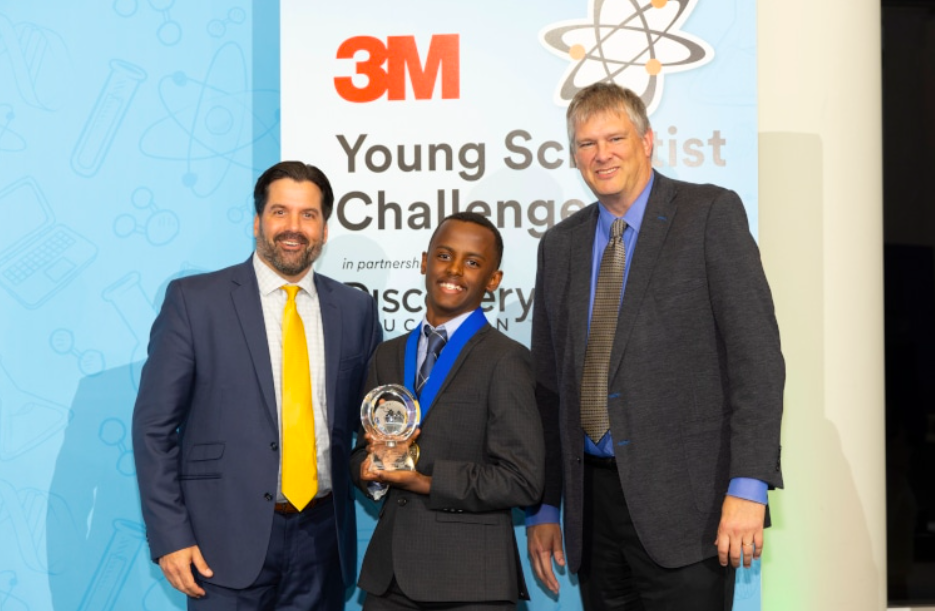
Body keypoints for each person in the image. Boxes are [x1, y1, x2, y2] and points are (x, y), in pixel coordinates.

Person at [526, 82, 785, 610]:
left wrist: (749, 485)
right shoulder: (559, 245)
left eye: (615, 138)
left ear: (647, 141)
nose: (602, 154)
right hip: (592, 512)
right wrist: (546, 505)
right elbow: (550, 388)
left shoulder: (709, 214)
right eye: (586, 143)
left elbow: (757, 362)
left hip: (691, 509)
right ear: (574, 155)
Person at [132, 161, 382, 610]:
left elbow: (367, 424)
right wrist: (171, 535)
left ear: (325, 230)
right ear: (256, 222)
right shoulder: (195, 301)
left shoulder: (355, 309)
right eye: (280, 211)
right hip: (221, 543)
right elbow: (154, 429)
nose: (293, 227)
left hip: (322, 543)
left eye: (308, 215)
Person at [350, 212, 545, 610]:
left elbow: (522, 480)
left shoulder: (506, 359)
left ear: (493, 280)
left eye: (472, 262)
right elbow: (360, 451)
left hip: (470, 583)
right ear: (425, 262)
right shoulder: (387, 355)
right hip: (389, 580)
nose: (454, 269)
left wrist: (423, 481)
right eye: (444, 255)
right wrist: (369, 470)